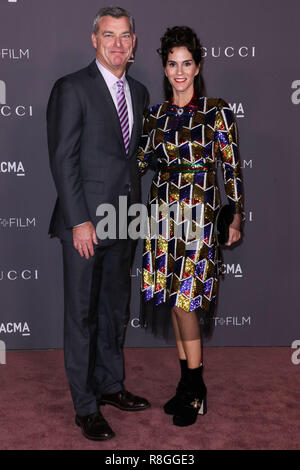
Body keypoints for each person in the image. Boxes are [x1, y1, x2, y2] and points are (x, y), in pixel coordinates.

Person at [47, 6, 150, 441]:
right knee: (82, 316)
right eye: (109, 35)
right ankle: (85, 406)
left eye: (125, 36)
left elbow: (133, 159)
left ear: (134, 43)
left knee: (113, 311)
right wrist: (79, 221)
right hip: (86, 225)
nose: (117, 44)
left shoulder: (141, 92)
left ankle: (110, 385)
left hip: (124, 220)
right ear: (94, 40)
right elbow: (63, 159)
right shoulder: (72, 88)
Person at [137, 26, 243, 427]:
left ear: (197, 66)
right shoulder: (155, 115)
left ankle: (196, 389)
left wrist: (236, 215)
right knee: (174, 301)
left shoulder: (216, 111)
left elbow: (231, 167)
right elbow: (141, 162)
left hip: (199, 216)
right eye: (171, 64)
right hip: (162, 216)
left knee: (186, 301)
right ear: (164, 68)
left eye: (186, 63)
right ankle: (186, 386)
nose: (179, 71)